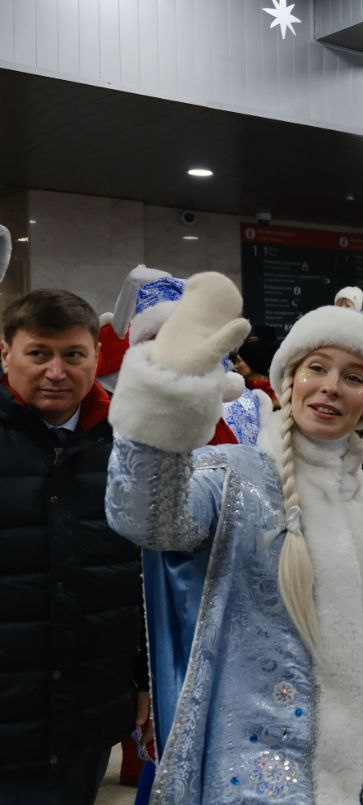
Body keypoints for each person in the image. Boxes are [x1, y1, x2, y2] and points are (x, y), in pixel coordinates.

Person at [104, 273, 363, 804]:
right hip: (253, 777)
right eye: (317, 368)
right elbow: (147, 520)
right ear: (290, 379)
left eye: (354, 377)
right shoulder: (231, 473)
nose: (331, 386)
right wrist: (165, 396)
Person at [0, 289, 145, 804]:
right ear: (6, 354)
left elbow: (149, 573)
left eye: (73, 355)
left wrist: (143, 678)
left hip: (89, 711)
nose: (56, 371)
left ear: (96, 358)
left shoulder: (131, 442)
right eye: (39, 353)